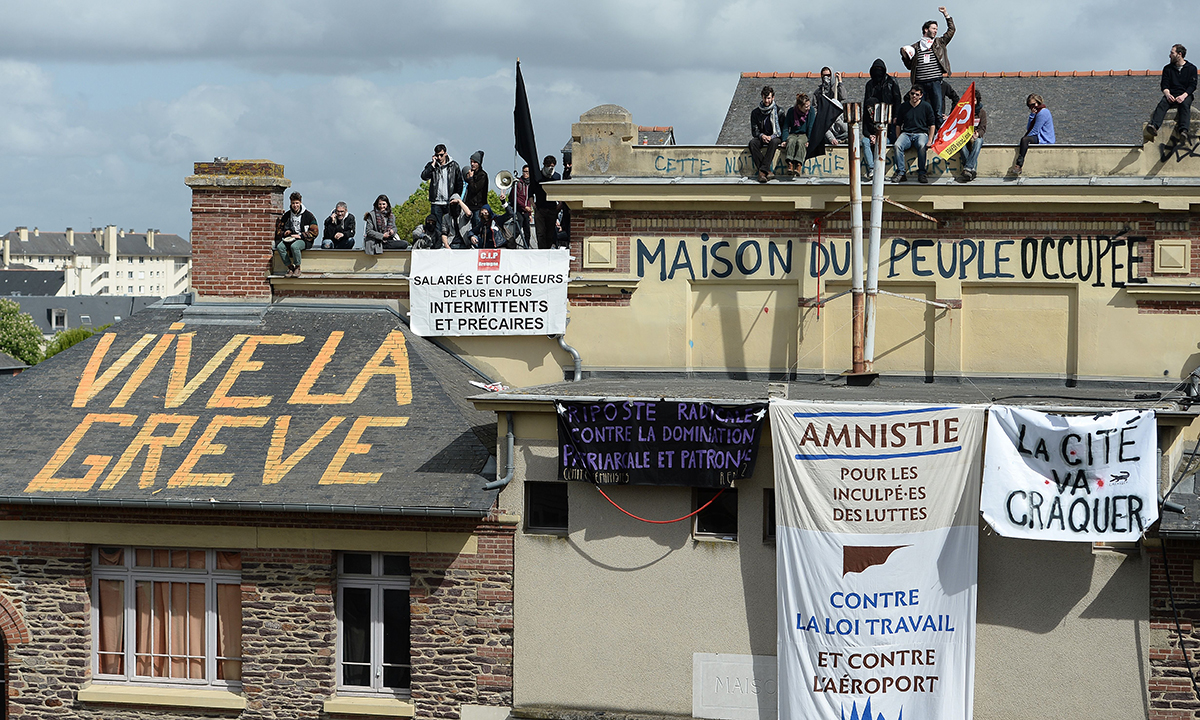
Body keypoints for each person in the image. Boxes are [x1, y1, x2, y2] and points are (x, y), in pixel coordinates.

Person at [900, 7, 955, 124]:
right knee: (921, 110)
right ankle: (924, 133)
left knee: (937, 110)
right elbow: (909, 66)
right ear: (926, 30)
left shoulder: (939, 42)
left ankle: (939, 134)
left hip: (935, 81)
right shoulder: (915, 47)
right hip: (920, 83)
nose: (936, 31)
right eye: (933, 28)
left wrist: (946, 14)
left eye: (937, 29)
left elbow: (951, 30)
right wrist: (904, 55)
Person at [1145, 44, 1198, 143]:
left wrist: (1183, 96)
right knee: (1162, 104)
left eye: (1172, 53)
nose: (1170, 55)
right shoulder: (1167, 69)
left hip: (1184, 94)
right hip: (1171, 93)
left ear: (1179, 54)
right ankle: (1154, 126)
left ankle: (1183, 131)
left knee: (1185, 105)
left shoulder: (1191, 68)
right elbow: (1164, 85)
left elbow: (1192, 85)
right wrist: (1168, 94)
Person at [862, 58, 903, 181]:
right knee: (865, 142)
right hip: (874, 121)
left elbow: (897, 100)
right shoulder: (870, 84)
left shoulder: (891, 82)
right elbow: (866, 105)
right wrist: (871, 136)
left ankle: (896, 169)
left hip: (889, 119)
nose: (877, 72)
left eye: (879, 70)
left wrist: (895, 116)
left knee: (893, 142)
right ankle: (872, 169)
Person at [891, 87, 936, 184]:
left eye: (917, 94)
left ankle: (922, 173)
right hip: (906, 133)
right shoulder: (903, 107)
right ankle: (901, 173)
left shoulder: (926, 106)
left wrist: (930, 140)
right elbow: (898, 124)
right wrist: (899, 138)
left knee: (921, 145)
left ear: (921, 96)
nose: (914, 96)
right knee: (897, 145)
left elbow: (932, 125)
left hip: (921, 133)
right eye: (912, 94)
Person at [275, 191, 318, 277]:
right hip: (290, 238)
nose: (295, 205)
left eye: (297, 203)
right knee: (280, 247)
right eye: (293, 203)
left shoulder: (308, 216)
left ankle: (297, 267)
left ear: (300, 203)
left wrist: (301, 235)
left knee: (295, 246)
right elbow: (279, 230)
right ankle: (290, 267)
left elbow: (315, 232)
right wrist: (285, 233)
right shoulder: (287, 215)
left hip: (304, 240)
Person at [1010, 94, 1055, 175]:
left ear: (1038, 103)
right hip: (1039, 137)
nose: (1032, 107)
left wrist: (1024, 141)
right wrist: (1032, 115)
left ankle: (1019, 164)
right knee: (1025, 139)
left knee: (1025, 140)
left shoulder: (1043, 112)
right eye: (1030, 106)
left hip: (1044, 139)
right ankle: (1018, 165)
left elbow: (1035, 130)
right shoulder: (1037, 113)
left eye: (1033, 104)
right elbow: (1029, 128)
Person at [420, 144, 463, 228]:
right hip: (436, 202)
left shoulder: (454, 165)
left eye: (441, 155)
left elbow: (459, 183)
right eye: (437, 155)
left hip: (449, 201)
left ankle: (448, 241)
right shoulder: (432, 165)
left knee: (451, 226)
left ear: (446, 154)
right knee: (437, 227)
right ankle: (438, 241)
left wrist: (456, 198)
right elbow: (424, 176)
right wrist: (432, 165)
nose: (439, 157)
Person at [748, 85, 781, 183]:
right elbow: (754, 131)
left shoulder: (779, 111)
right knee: (752, 143)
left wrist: (771, 137)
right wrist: (761, 136)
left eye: (768, 98)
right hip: (761, 136)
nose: (766, 101)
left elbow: (782, 130)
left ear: (773, 98)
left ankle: (762, 171)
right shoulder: (755, 112)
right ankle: (767, 171)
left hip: (775, 136)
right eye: (765, 98)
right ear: (761, 97)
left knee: (774, 142)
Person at [957, 90, 988, 183]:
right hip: (965, 136)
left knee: (979, 142)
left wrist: (978, 134)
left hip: (976, 136)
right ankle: (971, 170)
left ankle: (967, 168)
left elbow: (983, 127)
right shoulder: (964, 112)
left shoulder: (982, 112)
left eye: (974, 100)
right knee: (960, 145)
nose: (972, 103)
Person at [781, 94, 815, 176]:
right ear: (799, 106)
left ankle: (798, 164)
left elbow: (811, 126)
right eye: (806, 107)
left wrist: (810, 140)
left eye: (808, 106)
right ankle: (790, 163)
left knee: (800, 142)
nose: (808, 108)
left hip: (803, 134)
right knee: (791, 141)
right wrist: (784, 140)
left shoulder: (811, 111)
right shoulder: (791, 111)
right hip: (793, 133)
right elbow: (786, 126)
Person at [813, 68, 848, 145]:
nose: (826, 77)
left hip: (837, 118)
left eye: (828, 75)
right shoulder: (818, 92)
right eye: (824, 75)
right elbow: (814, 107)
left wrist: (840, 81)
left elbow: (843, 96)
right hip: (824, 120)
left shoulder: (836, 88)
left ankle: (839, 140)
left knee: (849, 133)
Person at [533, 156, 561, 249]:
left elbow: (559, 192)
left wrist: (560, 204)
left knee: (550, 233)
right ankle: (541, 251)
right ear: (544, 165)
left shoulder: (557, 176)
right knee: (540, 233)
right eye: (548, 165)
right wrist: (533, 205)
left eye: (552, 166)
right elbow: (530, 192)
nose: (550, 168)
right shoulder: (537, 176)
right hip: (540, 209)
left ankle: (548, 250)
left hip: (552, 208)